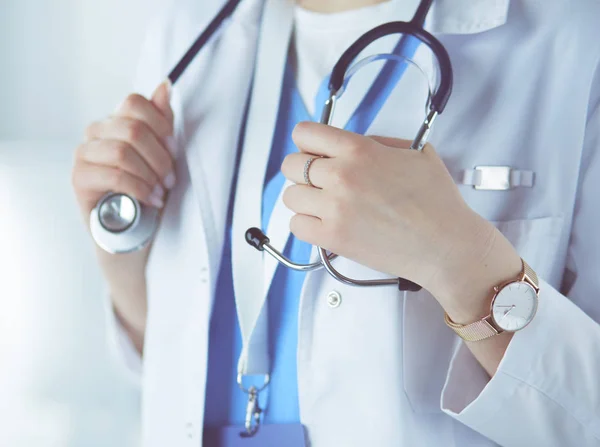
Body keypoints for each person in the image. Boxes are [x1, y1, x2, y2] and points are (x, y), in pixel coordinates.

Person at [71, 0, 600, 445]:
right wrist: (122, 248)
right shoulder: (189, 31)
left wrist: (458, 258)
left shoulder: (572, 42)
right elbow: (170, 356)